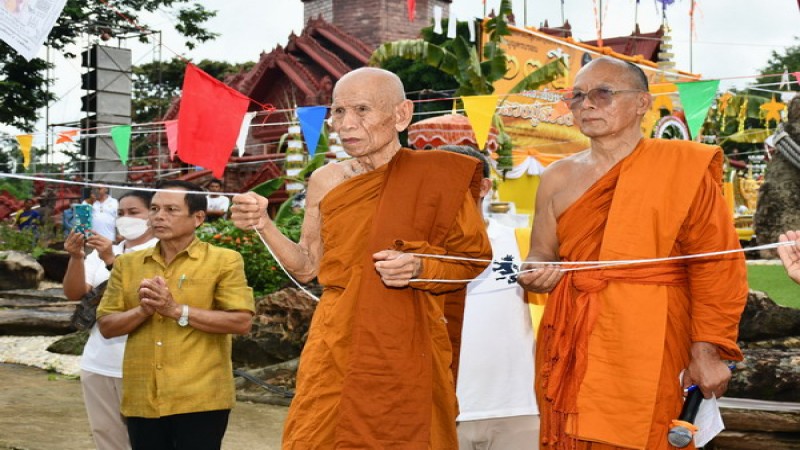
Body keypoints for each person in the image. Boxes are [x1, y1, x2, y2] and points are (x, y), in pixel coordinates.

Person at [230, 67, 491, 449]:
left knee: (408, 434)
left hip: (408, 340)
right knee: (318, 435)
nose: (346, 125)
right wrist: (264, 225)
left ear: (401, 115)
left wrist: (420, 268)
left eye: (362, 110)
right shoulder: (326, 179)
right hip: (338, 337)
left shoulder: (436, 178)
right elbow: (307, 266)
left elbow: (472, 261)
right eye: (338, 112)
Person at [517, 57, 747, 450]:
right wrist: (535, 271)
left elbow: (717, 267)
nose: (586, 104)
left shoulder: (681, 167)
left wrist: (706, 351)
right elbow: (541, 253)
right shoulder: (556, 177)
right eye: (577, 96)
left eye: (602, 94)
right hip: (575, 336)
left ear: (641, 103)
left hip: (653, 338)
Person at [96, 180, 255, 450]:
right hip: (143, 397)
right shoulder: (128, 263)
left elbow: (241, 321)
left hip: (201, 397)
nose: (159, 216)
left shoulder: (224, 260)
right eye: (155, 208)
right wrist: (144, 310)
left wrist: (176, 310)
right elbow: (107, 326)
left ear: (198, 218)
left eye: (171, 209)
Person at [439, 146, 541, 450]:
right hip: (442, 409)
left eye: (454, 179)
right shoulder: (416, 255)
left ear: (484, 186)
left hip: (517, 409)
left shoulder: (524, 243)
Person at [63, 190, 158, 450]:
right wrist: (76, 256)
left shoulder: (160, 253)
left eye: (134, 212)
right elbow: (75, 292)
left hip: (143, 365)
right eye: (121, 214)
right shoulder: (107, 249)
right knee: (107, 439)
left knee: (147, 440)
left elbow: (140, 295)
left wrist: (109, 260)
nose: (125, 219)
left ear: (154, 214)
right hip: (99, 362)